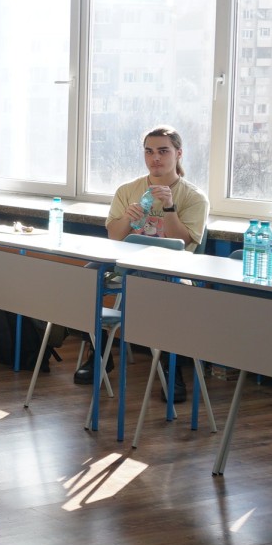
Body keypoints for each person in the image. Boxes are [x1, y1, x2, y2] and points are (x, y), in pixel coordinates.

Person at [75, 125, 212, 388]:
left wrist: (169, 207)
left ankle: (171, 366)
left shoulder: (194, 197)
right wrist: (128, 217)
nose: (155, 158)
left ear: (178, 153)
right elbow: (115, 237)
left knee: (165, 294)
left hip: (171, 269)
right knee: (83, 279)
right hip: (126, 265)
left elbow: (183, 242)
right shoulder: (128, 190)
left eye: (163, 151)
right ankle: (99, 353)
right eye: (149, 152)